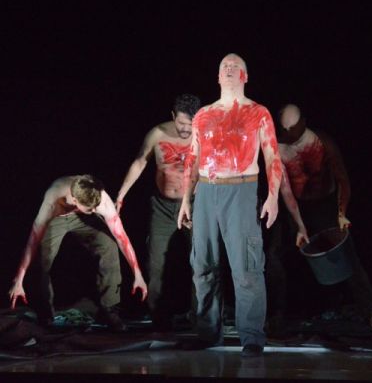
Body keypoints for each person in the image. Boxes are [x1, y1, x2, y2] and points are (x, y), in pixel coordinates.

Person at [177, 53, 282, 357]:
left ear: (245, 76)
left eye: (236, 67)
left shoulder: (258, 112)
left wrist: (273, 196)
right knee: (203, 265)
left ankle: (251, 337)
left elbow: (272, 156)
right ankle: (208, 332)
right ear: (217, 76)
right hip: (207, 192)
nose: (229, 68)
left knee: (247, 266)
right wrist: (187, 199)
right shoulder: (203, 114)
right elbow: (193, 158)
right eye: (224, 66)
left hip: (242, 189)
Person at [268, 104, 372, 337]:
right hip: (295, 207)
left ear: (304, 122)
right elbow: (286, 192)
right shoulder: (277, 149)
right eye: (286, 128)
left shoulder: (322, 142)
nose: (291, 132)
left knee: (348, 257)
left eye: (294, 127)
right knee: (274, 256)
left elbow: (342, 179)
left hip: (324, 204)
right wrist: (299, 225)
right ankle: (274, 316)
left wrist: (341, 212)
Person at [8, 175, 148, 331]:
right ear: (74, 200)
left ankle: (108, 310)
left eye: (96, 206)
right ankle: (45, 315)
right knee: (40, 258)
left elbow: (122, 238)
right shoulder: (52, 200)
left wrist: (138, 274)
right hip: (57, 218)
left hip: (83, 217)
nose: (96, 210)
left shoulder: (101, 201)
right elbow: (32, 241)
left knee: (109, 245)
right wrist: (18, 280)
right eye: (92, 208)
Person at [115, 94, 201, 330]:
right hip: (162, 206)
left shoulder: (203, 136)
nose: (185, 129)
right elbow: (140, 162)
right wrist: (121, 195)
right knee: (155, 263)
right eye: (181, 123)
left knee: (200, 262)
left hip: (193, 205)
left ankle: (201, 316)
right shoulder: (157, 134)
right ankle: (159, 318)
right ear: (173, 116)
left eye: (189, 125)